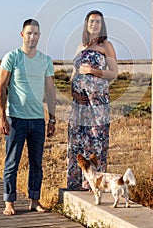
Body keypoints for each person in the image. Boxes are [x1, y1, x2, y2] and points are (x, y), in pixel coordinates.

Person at [0, 19, 56, 215]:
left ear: (40, 36)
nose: (32, 37)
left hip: (38, 120)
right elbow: (2, 88)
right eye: (29, 33)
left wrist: (52, 118)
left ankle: (34, 200)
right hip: (15, 119)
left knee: (37, 163)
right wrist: (1, 117)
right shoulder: (12, 57)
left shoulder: (45, 60)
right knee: (12, 162)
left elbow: (50, 91)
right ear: (22, 34)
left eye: (36, 33)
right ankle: (9, 202)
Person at [67, 10, 118, 190]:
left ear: (102, 25)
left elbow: (114, 73)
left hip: (97, 102)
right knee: (78, 140)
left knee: (96, 140)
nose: (94, 25)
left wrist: (93, 72)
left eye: (98, 22)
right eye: (91, 21)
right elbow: (75, 73)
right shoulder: (80, 47)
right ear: (86, 24)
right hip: (79, 104)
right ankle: (76, 183)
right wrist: (73, 92)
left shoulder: (106, 45)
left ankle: (94, 183)